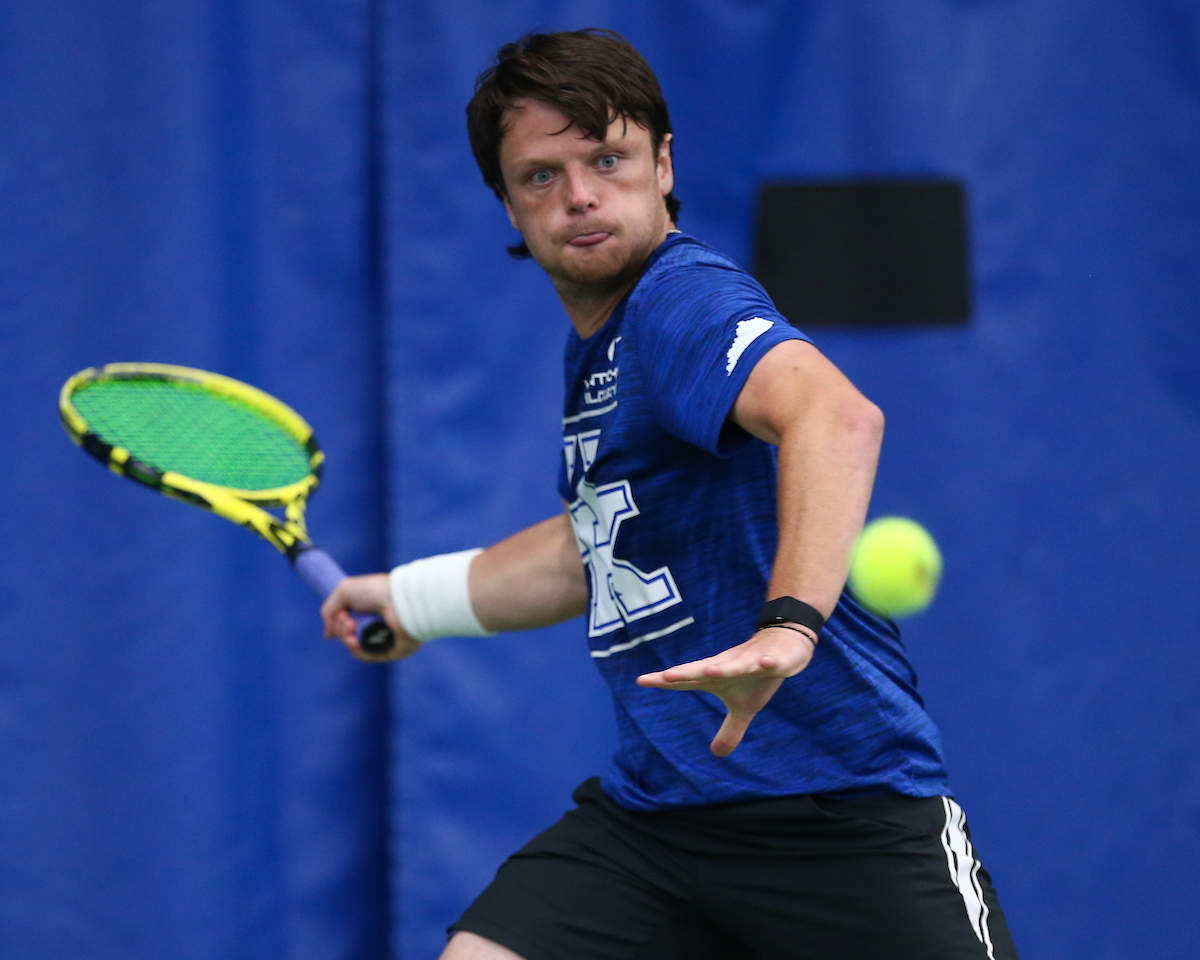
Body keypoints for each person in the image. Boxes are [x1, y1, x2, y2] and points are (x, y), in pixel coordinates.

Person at [322, 28, 1019, 960]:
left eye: (606, 158)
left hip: (837, 816)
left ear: (662, 162)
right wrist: (414, 599)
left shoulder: (678, 302)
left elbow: (838, 418)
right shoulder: (604, 345)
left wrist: (789, 626)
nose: (577, 195)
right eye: (540, 176)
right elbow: (595, 547)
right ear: (508, 205)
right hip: (659, 823)